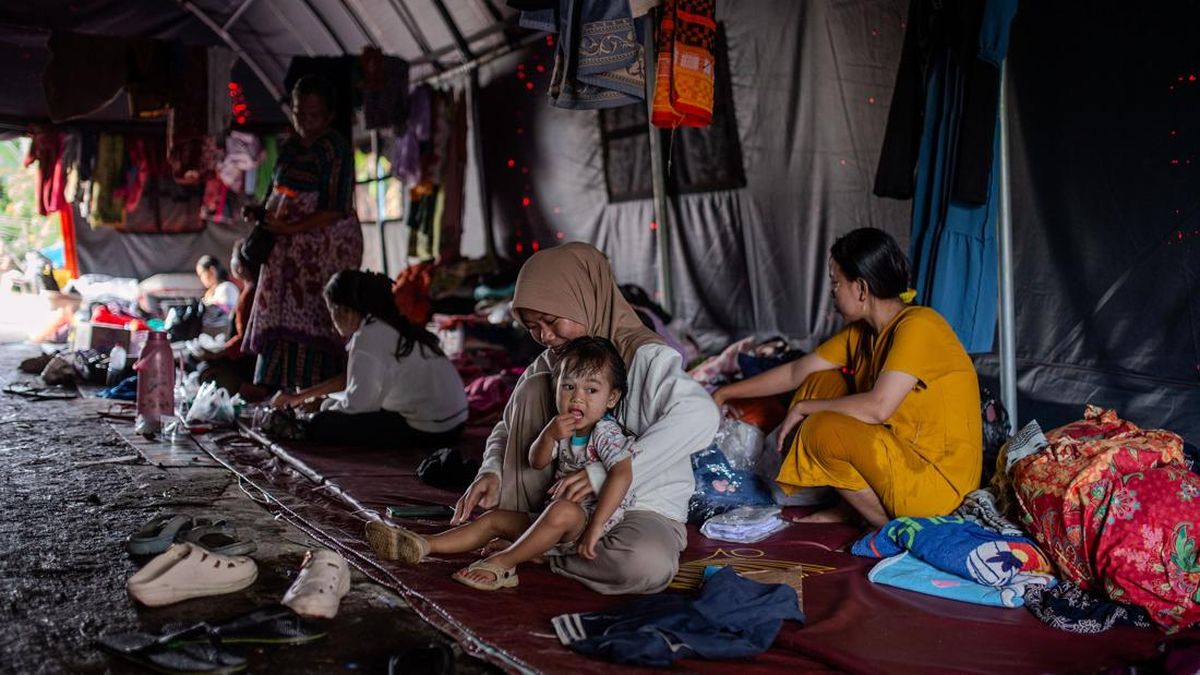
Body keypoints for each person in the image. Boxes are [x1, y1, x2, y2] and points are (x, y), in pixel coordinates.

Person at [447, 242, 719, 594]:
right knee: (532, 388)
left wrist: (601, 474)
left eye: (551, 320)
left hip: (637, 508)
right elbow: (506, 425)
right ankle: (536, 532)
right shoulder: (554, 361)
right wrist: (493, 470)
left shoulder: (647, 357)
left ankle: (541, 551)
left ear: (584, 298)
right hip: (561, 506)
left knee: (645, 565)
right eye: (532, 326)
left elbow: (701, 415)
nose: (545, 336)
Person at [712, 227, 981, 527]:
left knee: (819, 428)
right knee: (820, 383)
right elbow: (795, 371)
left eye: (836, 284)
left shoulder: (920, 326)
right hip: (900, 460)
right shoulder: (862, 334)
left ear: (862, 289)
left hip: (937, 485)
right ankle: (850, 507)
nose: (832, 293)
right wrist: (724, 393)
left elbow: (879, 407)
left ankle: (888, 528)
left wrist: (803, 409)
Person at [366, 337, 639, 590]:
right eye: (569, 387)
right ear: (556, 387)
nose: (578, 397)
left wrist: (595, 528)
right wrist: (549, 435)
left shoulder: (606, 433)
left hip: (588, 524)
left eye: (591, 390)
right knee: (494, 520)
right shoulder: (562, 428)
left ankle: (505, 564)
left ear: (611, 398)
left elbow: (622, 475)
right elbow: (537, 461)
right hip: (551, 522)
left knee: (562, 511)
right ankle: (423, 544)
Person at [243, 75, 363, 392]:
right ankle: (280, 392)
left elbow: (337, 208)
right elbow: (275, 191)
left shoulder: (336, 150)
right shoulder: (290, 147)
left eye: (313, 115)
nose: (304, 122)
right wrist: (261, 212)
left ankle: (315, 392)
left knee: (316, 318)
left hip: (320, 256)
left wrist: (291, 228)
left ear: (329, 115)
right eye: (299, 113)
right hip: (285, 256)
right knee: (282, 318)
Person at [272, 270, 468, 448]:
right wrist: (307, 397)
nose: (331, 322)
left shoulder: (367, 337)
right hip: (455, 422)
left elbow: (359, 406)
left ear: (345, 311)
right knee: (329, 410)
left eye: (331, 311)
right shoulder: (387, 324)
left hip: (432, 430)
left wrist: (324, 409)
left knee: (322, 425)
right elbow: (352, 381)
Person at [195, 241, 266, 400]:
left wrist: (217, 354)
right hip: (249, 358)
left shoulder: (248, 294)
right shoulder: (254, 289)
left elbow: (244, 340)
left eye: (233, 259)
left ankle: (248, 390)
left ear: (240, 266)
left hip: (247, 363)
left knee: (204, 372)